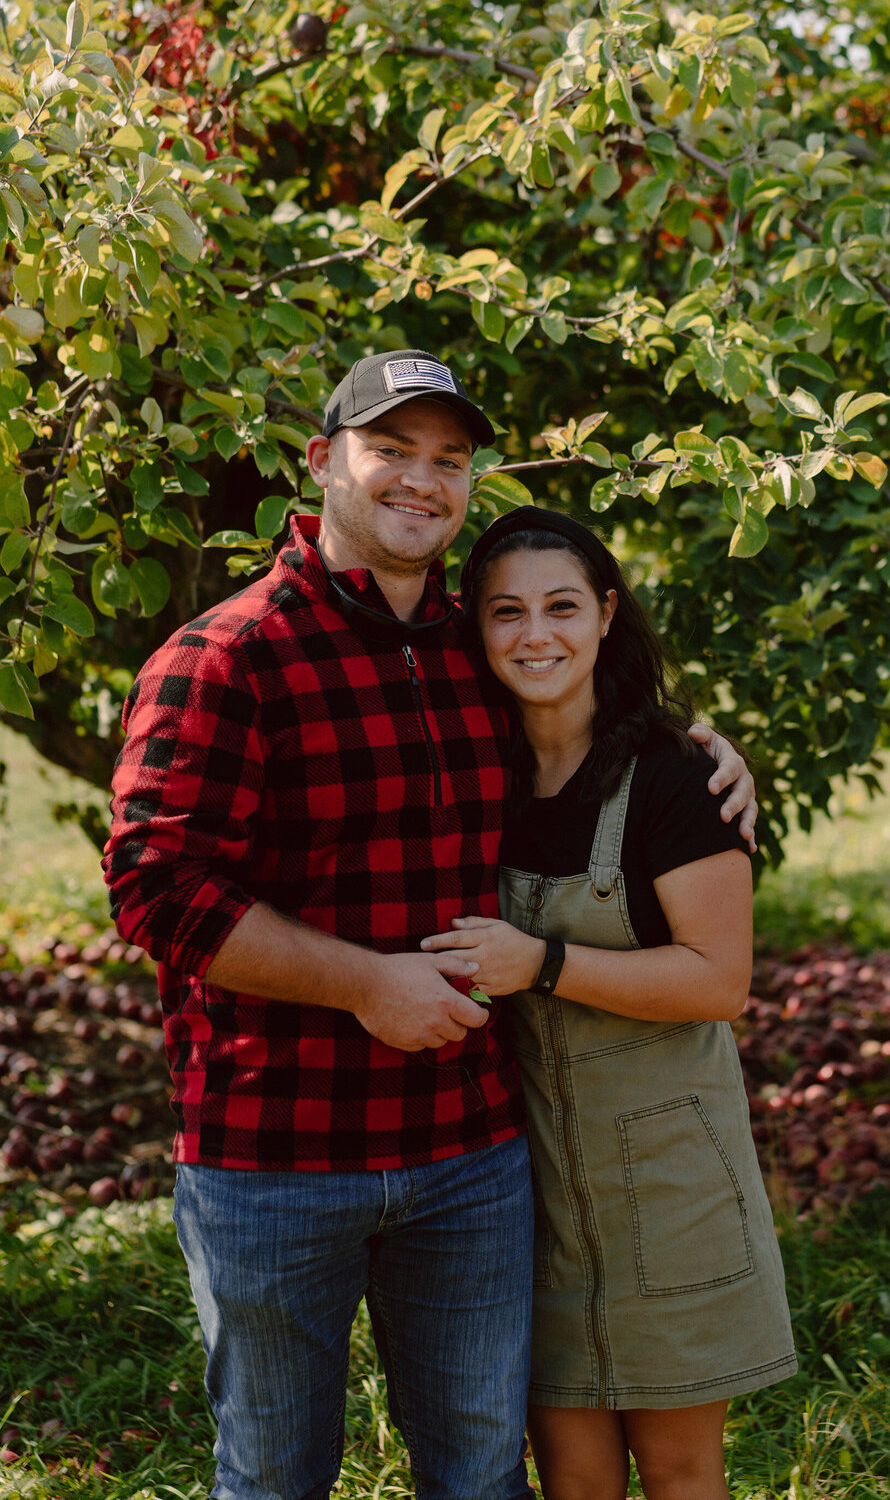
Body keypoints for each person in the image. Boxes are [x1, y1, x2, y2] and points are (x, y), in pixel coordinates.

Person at [102, 348, 757, 1500]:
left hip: (470, 1155)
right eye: (390, 450)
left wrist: (700, 748)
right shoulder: (226, 657)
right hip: (277, 1155)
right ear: (320, 464)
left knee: (478, 1475)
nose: (421, 480)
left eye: (448, 460)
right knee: (272, 1477)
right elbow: (157, 885)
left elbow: (583, 701)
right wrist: (364, 982)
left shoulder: (471, 647)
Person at [421, 506, 796, 1500]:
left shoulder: (675, 776)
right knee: (572, 1479)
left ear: (605, 615)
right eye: (506, 612)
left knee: (678, 1473)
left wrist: (541, 962)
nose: (534, 634)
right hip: (525, 1194)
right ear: (476, 627)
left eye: (560, 607)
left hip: (669, 1183)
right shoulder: (475, 769)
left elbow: (720, 980)